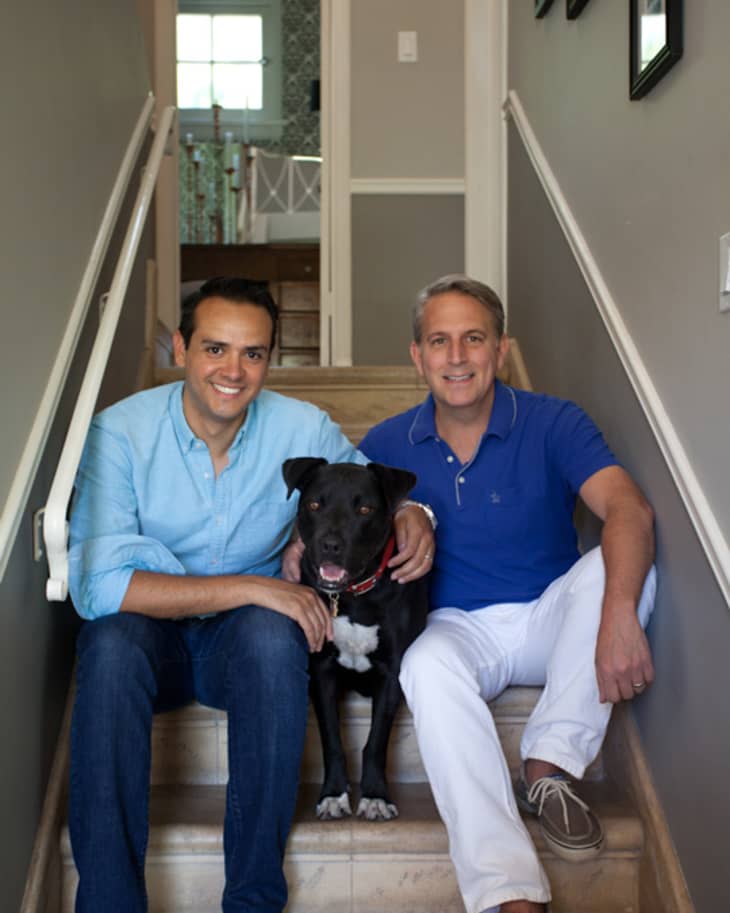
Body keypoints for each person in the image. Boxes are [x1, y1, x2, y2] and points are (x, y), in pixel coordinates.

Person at [67, 276, 434, 913]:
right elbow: (98, 587)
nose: (233, 371)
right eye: (215, 349)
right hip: (148, 643)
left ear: (271, 359)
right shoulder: (119, 434)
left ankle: (253, 901)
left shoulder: (302, 426)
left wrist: (417, 514)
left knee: (271, 638)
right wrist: (255, 586)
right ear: (181, 348)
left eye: (253, 353)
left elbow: (363, 496)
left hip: (238, 646)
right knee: (108, 644)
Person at [357, 275, 657, 913]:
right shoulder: (383, 445)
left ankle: (547, 767)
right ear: (418, 356)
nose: (457, 356)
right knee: (424, 663)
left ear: (500, 349)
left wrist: (621, 615)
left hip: (551, 616)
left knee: (626, 566)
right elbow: (341, 529)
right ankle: (509, 890)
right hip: (455, 626)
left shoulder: (553, 420)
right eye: (440, 341)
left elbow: (627, 508)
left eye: (474, 339)